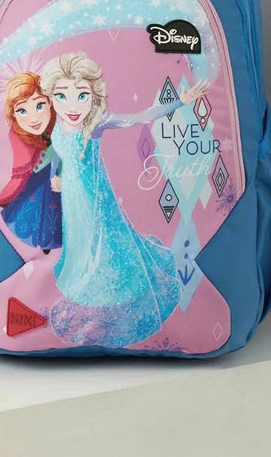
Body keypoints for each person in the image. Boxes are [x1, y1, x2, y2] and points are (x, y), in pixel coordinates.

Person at [40, 52, 208, 347]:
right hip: (72, 199)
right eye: (62, 96)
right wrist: (56, 174)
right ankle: (84, 283)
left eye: (82, 95)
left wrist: (180, 101)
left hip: (96, 198)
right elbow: (59, 153)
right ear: (51, 96)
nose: (72, 106)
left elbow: (140, 117)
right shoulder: (56, 124)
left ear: (94, 95)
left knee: (105, 242)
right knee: (80, 241)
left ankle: (111, 295)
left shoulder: (96, 123)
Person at [0, 72, 62, 253]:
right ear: (13, 114)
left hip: (56, 175)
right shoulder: (18, 134)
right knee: (32, 209)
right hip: (36, 178)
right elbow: (21, 163)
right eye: (22, 111)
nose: (34, 118)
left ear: (49, 101)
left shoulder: (59, 125)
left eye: (40, 105)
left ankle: (49, 242)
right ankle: (43, 243)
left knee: (56, 211)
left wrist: (60, 172)